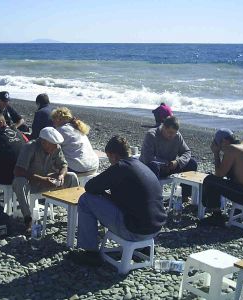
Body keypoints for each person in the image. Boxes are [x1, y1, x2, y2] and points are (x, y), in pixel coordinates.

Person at [70, 136, 167, 267]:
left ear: (113, 155)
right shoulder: (141, 166)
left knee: (86, 200)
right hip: (155, 229)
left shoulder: (121, 167)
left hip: (134, 231)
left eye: (109, 158)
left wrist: (103, 193)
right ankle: (143, 247)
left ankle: (90, 252)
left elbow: (90, 187)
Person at [12, 127, 79, 230]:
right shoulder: (30, 147)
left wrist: (61, 175)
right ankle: (28, 218)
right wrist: (42, 179)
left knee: (72, 177)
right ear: (44, 142)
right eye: (53, 144)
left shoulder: (56, 148)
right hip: (31, 182)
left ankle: (76, 214)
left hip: (47, 180)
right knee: (19, 181)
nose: (56, 146)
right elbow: (18, 171)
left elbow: (64, 165)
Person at [200, 129, 243, 226]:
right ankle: (237, 211)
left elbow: (219, 175)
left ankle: (216, 216)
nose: (217, 147)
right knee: (231, 177)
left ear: (224, 141)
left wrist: (216, 153)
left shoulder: (231, 149)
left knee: (210, 180)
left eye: (216, 143)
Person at [139, 116, 197, 202]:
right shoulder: (152, 135)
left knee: (192, 163)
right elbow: (147, 157)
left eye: (174, 133)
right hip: (153, 168)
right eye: (170, 132)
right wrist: (166, 163)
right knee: (153, 165)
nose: (172, 135)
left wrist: (177, 162)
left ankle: (185, 195)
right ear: (164, 127)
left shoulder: (177, 136)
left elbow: (187, 152)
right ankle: (153, 198)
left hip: (170, 166)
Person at [51, 107, 99, 174]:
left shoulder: (60, 130)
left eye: (53, 120)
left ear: (58, 119)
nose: (53, 123)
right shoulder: (77, 128)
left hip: (79, 168)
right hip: (94, 165)